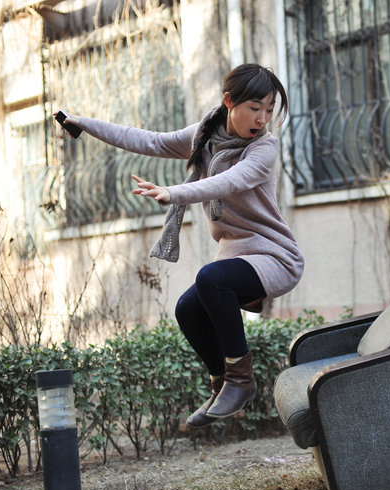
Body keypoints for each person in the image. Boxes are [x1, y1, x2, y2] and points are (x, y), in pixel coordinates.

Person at [57, 64, 304, 426]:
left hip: (275, 256)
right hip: (238, 254)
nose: (262, 118)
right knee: (188, 309)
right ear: (229, 102)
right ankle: (222, 383)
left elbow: (229, 182)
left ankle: (241, 379)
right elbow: (150, 140)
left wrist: (174, 193)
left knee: (210, 279)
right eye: (255, 108)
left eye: (269, 110)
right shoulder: (204, 136)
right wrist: (83, 123)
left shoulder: (264, 148)